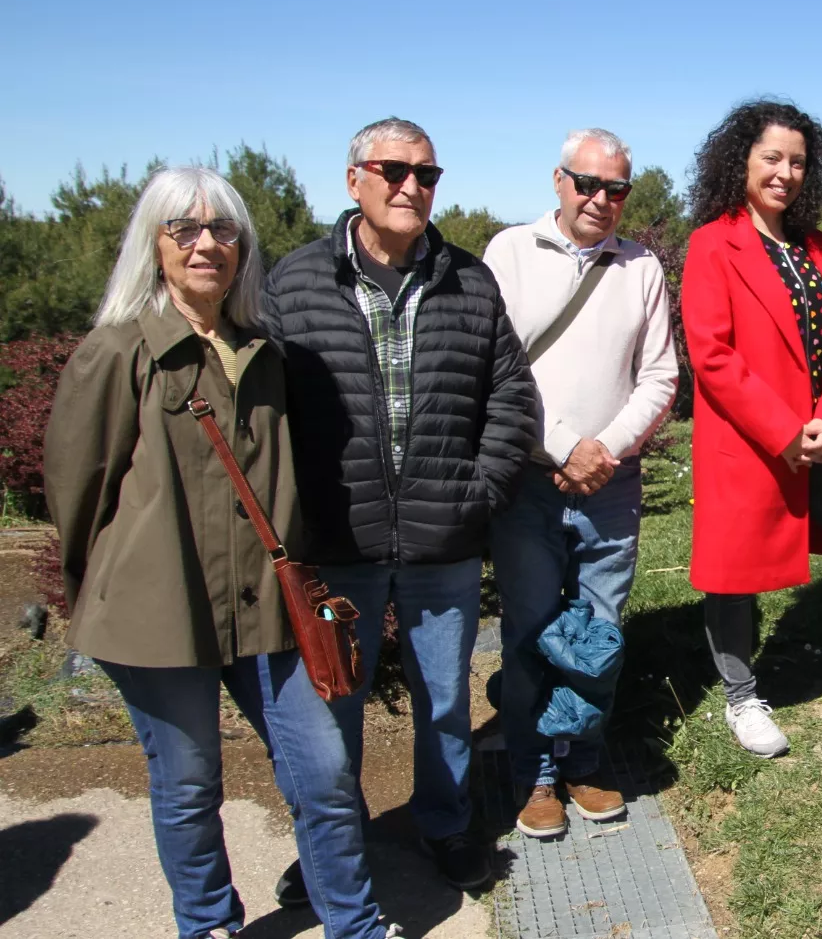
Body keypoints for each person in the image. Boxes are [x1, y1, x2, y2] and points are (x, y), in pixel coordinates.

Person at [43, 167, 398, 939]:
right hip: (157, 610)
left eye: (224, 229)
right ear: (155, 244)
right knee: (187, 782)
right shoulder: (117, 353)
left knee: (326, 772)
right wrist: (104, 591)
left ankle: (355, 923)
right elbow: (78, 494)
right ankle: (207, 923)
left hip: (269, 607)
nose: (207, 244)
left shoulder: (263, 352)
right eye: (185, 229)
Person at [263, 118, 537, 896]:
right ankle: (331, 844)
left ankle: (445, 825)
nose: (410, 185)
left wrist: (476, 493)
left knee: (445, 703)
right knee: (329, 715)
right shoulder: (294, 282)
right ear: (354, 180)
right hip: (335, 539)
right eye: (392, 170)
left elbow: (511, 394)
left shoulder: (468, 280)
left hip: (442, 537)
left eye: (426, 173)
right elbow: (265, 409)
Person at [483, 128, 677, 838]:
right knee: (530, 632)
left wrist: (605, 451)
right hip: (529, 481)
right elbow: (498, 369)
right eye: (586, 183)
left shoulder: (641, 268)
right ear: (558, 181)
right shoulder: (509, 253)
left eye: (616, 189)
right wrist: (566, 445)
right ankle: (534, 774)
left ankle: (584, 761)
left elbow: (661, 375)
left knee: (599, 634)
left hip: (612, 485)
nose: (600, 199)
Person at [680, 100, 822, 758]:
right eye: (772, 157)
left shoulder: (820, 248)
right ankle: (742, 699)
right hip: (749, 440)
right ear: (740, 161)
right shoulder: (713, 243)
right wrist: (784, 429)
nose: (785, 172)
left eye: (798, 161)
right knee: (732, 574)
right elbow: (711, 353)